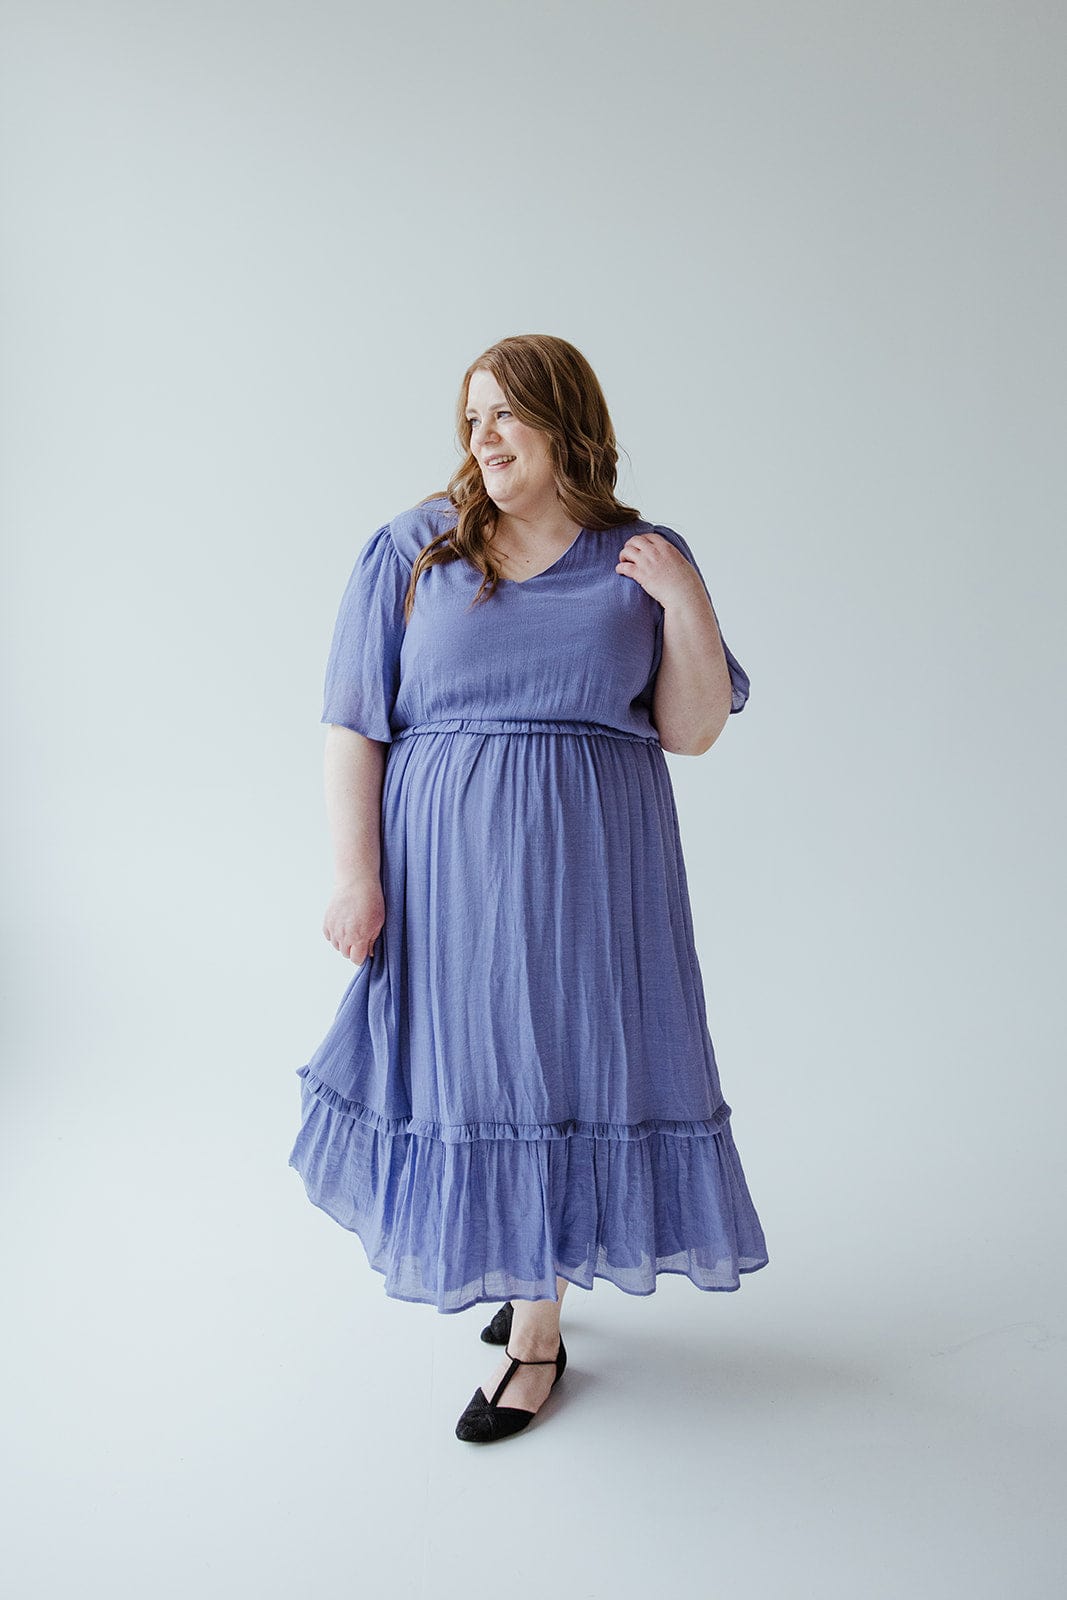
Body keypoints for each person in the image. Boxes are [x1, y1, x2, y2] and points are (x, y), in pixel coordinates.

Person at [287, 333, 769, 1444]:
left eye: (504, 414)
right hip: (449, 884)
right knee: (479, 1075)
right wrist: (354, 874)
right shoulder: (417, 547)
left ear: (565, 420)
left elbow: (689, 730)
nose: (482, 437)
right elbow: (353, 722)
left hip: (597, 877)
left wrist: (684, 595)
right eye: (471, 419)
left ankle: (536, 1330)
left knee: (562, 1070)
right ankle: (525, 1284)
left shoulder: (638, 555)